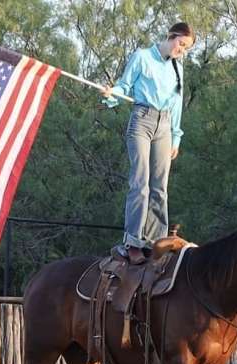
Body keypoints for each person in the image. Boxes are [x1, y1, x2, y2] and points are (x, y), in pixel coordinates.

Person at [101, 22, 195, 264]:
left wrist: (176, 136)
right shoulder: (142, 57)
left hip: (165, 126)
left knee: (159, 187)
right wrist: (111, 95)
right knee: (140, 183)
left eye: (186, 49)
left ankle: (156, 241)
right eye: (181, 44)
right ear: (171, 36)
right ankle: (132, 241)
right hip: (141, 120)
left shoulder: (177, 68)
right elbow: (124, 86)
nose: (181, 51)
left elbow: (177, 103)